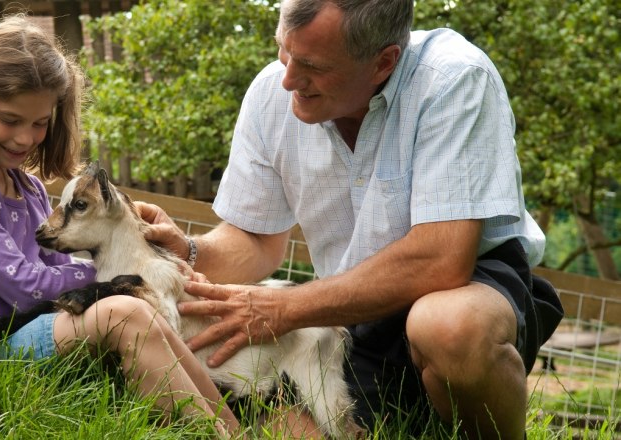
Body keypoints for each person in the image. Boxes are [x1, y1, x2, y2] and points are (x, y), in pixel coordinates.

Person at [138, 0, 564, 438]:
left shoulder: (453, 79)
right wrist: (190, 252)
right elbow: (255, 240)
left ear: (383, 63)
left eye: (312, 66)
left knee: (449, 328)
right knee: (295, 429)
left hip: (468, 286)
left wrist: (285, 309)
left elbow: (441, 260)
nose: (288, 79)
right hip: (346, 313)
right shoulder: (270, 94)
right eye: (284, 50)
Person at [0, 15, 239, 436]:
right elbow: (24, 288)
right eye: (10, 120)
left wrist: (139, 274)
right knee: (125, 311)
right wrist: (126, 275)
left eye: (40, 123)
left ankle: (233, 431)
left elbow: (57, 268)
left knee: (139, 306)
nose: (26, 138)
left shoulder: (27, 187)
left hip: (24, 333)